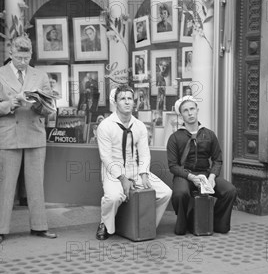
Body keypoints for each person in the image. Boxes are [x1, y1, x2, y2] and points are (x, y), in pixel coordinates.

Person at [0, 35, 57, 244]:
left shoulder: (40, 76)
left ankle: (39, 226)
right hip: (8, 135)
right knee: (5, 185)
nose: (23, 62)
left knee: (36, 185)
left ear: (31, 54)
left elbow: (48, 109)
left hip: (34, 133)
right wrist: (13, 101)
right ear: (10, 54)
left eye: (26, 58)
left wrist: (37, 103)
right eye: (18, 58)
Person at [95, 85, 172, 240]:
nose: (127, 102)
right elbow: (106, 157)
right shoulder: (106, 126)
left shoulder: (139, 126)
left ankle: (146, 225)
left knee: (165, 192)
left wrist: (144, 174)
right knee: (114, 197)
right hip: (113, 170)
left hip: (135, 169)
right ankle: (105, 224)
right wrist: (122, 178)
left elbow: (144, 153)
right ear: (115, 102)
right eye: (122, 99)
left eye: (130, 98)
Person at [166, 96, 237, 235]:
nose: (190, 113)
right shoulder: (175, 138)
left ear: (197, 110)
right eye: (185, 110)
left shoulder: (209, 134)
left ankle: (215, 221)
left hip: (205, 174)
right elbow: (173, 166)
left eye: (192, 109)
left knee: (230, 191)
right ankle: (184, 222)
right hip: (185, 175)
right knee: (180, 194)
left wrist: (211, 177)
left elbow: (217, 159)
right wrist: (191, 176)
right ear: (181, 115)